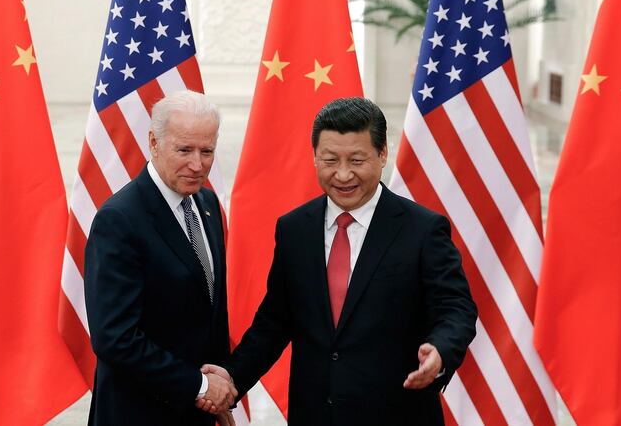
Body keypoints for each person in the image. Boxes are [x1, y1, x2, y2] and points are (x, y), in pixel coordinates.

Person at [201, 97, 477, 425]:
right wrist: (232, 379)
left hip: (397, 414)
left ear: (382, 154)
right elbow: (274, 323)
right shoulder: (294, 229)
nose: (343, 174)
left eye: (357, 160)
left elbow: (456, 308)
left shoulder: (422, 229)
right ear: (315, 157)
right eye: (330, 160)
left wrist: (441, 350)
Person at [84, 91, 236, 426]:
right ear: (154, 143)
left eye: (207, 151)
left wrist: (218, 394)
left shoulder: (208, 205)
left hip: (198, 413)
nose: (197, 164)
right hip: (137, 414)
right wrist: (200, 386)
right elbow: (114, 338)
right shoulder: (119, 219)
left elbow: (210, 312)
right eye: (184, 150)